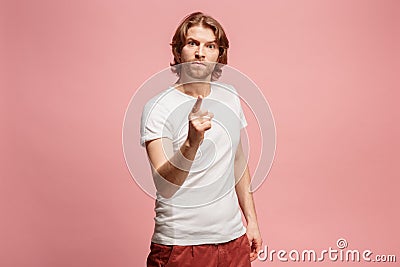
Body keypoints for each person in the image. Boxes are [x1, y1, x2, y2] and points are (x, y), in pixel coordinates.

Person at [140, 11, 262, 266]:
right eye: (192, 43)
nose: (200, 53)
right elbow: (165, 186)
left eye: (210, 46)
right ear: (178, 51)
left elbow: (238, 161)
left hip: (233, 241)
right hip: (181, 246)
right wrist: (191, 143)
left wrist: (251, 220)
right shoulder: (158, 107)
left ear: (220, 55)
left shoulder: (230, 96)